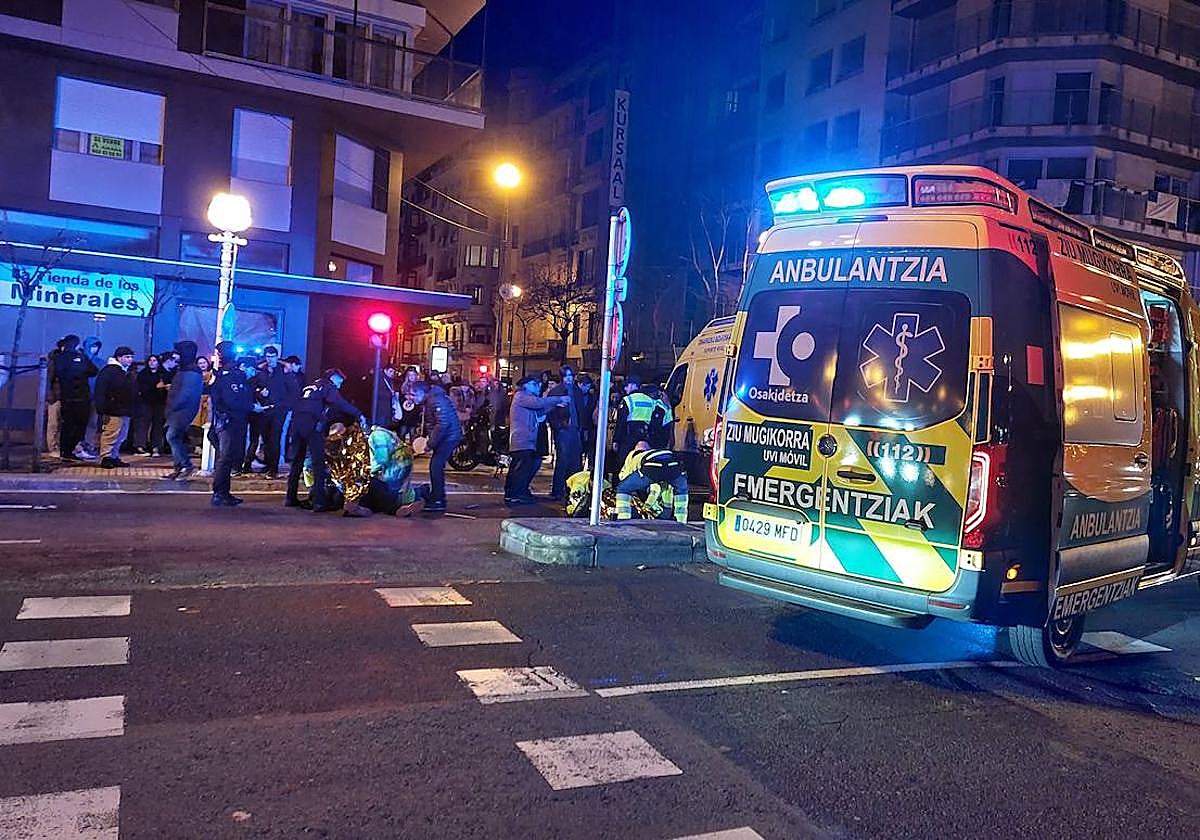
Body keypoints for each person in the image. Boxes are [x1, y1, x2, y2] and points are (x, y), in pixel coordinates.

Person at [286, 368, 363, 511]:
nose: (340, 385)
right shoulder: (327, 386)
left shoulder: (311, 386)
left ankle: (290, 498)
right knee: (318, 463)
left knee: (297, 461)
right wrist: (359, 414)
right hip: (311, 424)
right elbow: (340, 403)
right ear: (333, 378)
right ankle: (319, 502)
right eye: (339, 382)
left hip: (296, 424)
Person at [505, 375, 570, 505]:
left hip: (526, 439)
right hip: (523, 439)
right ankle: (516, 494)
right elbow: (538, 403)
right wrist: (558, 399)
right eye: (534, 384)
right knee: (521, 469)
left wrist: (555, 404)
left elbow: (540, 411)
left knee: (524, 467)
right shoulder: (522, 396)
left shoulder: (526, 398)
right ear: (526, 385)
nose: (538, 387)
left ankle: (519, 492)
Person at [209, 344, 259, 507]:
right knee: (225, 458)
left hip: (225, 421)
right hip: (230, 422)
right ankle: (220, 493)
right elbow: (234, 400)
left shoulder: (220, 375)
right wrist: (252, 406)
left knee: (227, 458)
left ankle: (223, 492)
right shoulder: (232, 376)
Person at [408, 377, 462, 513]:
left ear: (422, 393)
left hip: (449, 437)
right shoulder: (432, 399)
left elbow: (442, 424)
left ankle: (438, 499)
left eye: (413, 394)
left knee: (436, 466)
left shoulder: (436, 400)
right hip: (447, 436)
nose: (411, 398)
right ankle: (437, 496)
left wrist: (430, 444)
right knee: (436, 466)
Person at [242, 346, 296, 478]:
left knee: (275, 438)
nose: (270, 359)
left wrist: (285, 406)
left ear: (277, 357)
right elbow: (253, 387)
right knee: (266, 438)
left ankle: (273, 468)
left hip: (279, 410)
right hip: (264, 410)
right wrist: (260, 393)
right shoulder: (262, 372)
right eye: (268, 356)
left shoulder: (284, 371)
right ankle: (268, 464)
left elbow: (293, 391)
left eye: (272, 356)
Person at [615, 441, 689, 523]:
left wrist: (646, 506)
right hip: (674, 465)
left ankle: (623, 519)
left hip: (652, 466)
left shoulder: (633, 458)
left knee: (623, 489)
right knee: (682, 491)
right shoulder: (654, 452)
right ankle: (682, 522)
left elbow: (623, 477)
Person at [164, 341, 203, 480]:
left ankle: (186, 465)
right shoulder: (185, 369)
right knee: (176, 437)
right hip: (179, 410)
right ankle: (179, 467)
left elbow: (185, 394)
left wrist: (173, 406)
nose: (175, 356)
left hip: (182, 410)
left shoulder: (191, 371)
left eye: (177, 353)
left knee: (172, 436)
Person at [54, 335, 97, 461]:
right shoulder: (81, 357)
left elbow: (57, 373)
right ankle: (74, 449)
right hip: (81, 397)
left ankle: (65, 451)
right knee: (80, 425)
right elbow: (94, 370)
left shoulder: (59, 358)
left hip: (66, 396)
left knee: (67, 425)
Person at [546, 365, 585, 501]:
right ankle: (558, 490)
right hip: (563, 429)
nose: (568, 379)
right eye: (566, 376)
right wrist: (557, 426)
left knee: (575, 461)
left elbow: (581, 409)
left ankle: (572, 490)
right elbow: (550, 411)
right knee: (563, 460)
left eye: (570, 376)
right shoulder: (557, 391)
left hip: (575, 428)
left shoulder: (576, 390)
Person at [93, 346, 136, 469]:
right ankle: (105, 457)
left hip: (124, 409)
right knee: (111, 433)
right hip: (113, 409)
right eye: (127, 357)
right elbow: (101, 390)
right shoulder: (110, 371)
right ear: (119, 358)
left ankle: (114, 456)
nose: (130, 359)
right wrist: (101, 407)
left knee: (121, 435)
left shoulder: (123, 371)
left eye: (131, 357)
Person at [612, 374, 658, 477]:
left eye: (626, 386)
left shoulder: (628, 400)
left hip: (629, 437)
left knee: (624, 464)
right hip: (645, 436)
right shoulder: (650, 401)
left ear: (633, 385)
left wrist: (616, 440)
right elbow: (655, 421)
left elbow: (621, 422)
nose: (625, 389)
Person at [133, 354, 162, 454]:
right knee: (142, 424)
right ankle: (140, 446)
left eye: (154, 360)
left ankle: (156, 447)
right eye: (150, 360)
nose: (152, 362)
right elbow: (141, 388)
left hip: (159, 402)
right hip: (145, 402)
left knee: (158, 425)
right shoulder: (143, 374)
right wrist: (155, 387)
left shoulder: (162, 374)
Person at [45, 337, 65, 456]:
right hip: (55, 396)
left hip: (66, 396)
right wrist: (50, 396)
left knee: (63, 423)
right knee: (54, 423)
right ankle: (53, 448)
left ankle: (61, 447)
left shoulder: (66, 359)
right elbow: (48, 379)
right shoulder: (54, 360)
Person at [577, 373, 598, 469]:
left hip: (588, 428)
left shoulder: (592, 397)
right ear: (581, 384)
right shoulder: (575, 396)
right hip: (578, 427)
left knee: (588, 448)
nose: (588, 388)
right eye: (587, 386)